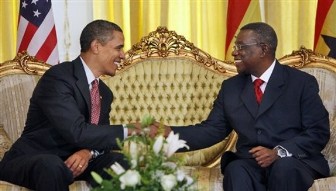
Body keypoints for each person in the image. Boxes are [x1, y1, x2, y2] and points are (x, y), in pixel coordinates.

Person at [155, 22, 330, 191]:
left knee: (284, 169)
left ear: (263, 49)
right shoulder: (231, 88)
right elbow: (212, 130)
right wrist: (168, 133)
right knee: (236, 169)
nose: (234, 52)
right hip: (251, 162)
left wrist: (278, 152)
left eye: (241, 47)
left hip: (294, 161)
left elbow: (318, 131)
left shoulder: (301, 83)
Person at [0, 20, 141, 191]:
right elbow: (76, 131)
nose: (123, 55)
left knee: (119, 162)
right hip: (35, 158)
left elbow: (103, 139)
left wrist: (87, 153)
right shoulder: (59, 78)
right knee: (51, 166)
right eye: (118, 48)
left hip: (74, 160)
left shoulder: (104, 92)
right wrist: (129, 129)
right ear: (96, 46)